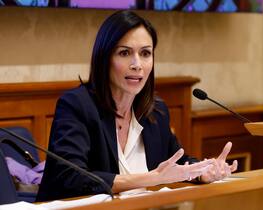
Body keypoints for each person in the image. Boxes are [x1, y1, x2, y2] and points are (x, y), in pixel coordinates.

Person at [37, 10, 238, 201]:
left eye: (145, 53)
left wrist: (201, 171)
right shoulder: (77, 106)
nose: (137, 64)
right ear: (104, 58)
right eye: (124, 53)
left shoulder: (156, 111)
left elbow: (175, 162)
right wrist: (150, 178)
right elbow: (70, 177)